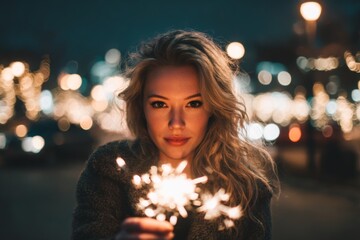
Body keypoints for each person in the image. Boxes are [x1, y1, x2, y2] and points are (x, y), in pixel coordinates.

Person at [72, 30, 279, 240]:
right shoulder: (108, 171)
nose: (176, 123)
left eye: (193, 104)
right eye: (160, 104)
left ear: (214, 108)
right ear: (141, 107)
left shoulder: (246, 190)